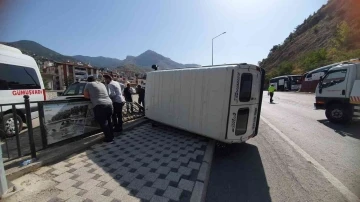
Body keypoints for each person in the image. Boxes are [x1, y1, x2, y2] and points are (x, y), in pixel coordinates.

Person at [84, 76, 114, 143]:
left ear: (88, 80)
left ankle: (109, 139)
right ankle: (112, 136)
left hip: (100, 105)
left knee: (103, 123)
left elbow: (85, 95)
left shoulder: (89, 84)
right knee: (109, 121)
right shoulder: (102, 84)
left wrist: (92, 97)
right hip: (109, 104)